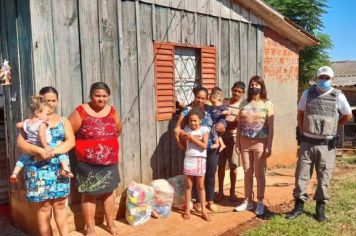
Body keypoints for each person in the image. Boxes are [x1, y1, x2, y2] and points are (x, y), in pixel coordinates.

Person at [286, 66, 352, 222]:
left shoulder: (338, 96)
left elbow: (348, 115)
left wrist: (335, 126)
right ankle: (299, 207)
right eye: (321, 77)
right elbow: (300, 113)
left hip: (326, 144)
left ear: (331, 79)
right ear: (316, 78)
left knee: (324, 177)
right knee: (301, 175)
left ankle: (320, 209)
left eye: (326, 78)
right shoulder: (307, 93)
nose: (323, 80)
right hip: (307, 142)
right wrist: (302, 131)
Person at [16, 86, 75, 236]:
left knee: (60, 205)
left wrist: (51, 152)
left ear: (57, 101)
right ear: (41, 102)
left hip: (59, 169)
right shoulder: (31, 122)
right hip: (37, 169)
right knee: (44, 208)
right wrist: (40, 151)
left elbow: (70, 142)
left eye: (54, 100)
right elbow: (21, 144)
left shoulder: (63, 120)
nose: (51, 103)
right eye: (47, 100)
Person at [68, 82, 122, 236]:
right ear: (91, 96)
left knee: (109, 192)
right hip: (87, 163)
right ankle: (90, 228)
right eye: (97, 95)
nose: (101, 99)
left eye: (104, 96)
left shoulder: (112, 111)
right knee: (89, 194)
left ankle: (110, 223)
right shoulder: (80, 111)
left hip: (110, 161)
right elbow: (68, 132)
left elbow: (118, 130)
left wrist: (105, 144)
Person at [174, 86, 225, 213]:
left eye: (203, 98)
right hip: (195, 149)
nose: (200, 100)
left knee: (210, 173)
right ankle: (197, 201)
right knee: (196, 176)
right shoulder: (188, 110)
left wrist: (222, 125)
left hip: (211, 146)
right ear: (194, 96)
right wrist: (184, 137)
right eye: (198, 97)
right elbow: (177, 128)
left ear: (207, 98)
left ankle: (210, 200)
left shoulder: (210, 109)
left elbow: (221, 119)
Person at [234, 76, 274, 216]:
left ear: (261, 87)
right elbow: (239, 125)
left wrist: (269, 145)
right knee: (247, 172)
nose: (254, 87)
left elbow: (271, 127)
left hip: (260, 143)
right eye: (252, 84)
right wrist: (237, 143)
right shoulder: (243, 103)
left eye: (257, 84)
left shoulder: (267, 103)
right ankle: (247, 201)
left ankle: (260, 201)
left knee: (259, 173)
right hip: (244, 142)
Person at [10, 96, 73, 184]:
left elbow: (18, 125)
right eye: (47, 114)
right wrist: (46, 147)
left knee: (22, 158)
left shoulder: (27, 122)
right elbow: (41, 135)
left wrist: (24, 130)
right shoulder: (42, 123)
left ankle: (15, 173)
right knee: (61, 154)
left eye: (54, 100)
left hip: (33, 145)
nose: (48, 117)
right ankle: (66, 169)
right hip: (42, 145)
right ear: (38, 112)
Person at [175, 107, 210, 221]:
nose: (193, 123)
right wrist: (177, 137)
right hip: (189, 159)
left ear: (200, 120)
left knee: (200, 186)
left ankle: (204, 210)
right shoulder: (186, 129)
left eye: (195, 120)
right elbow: (182, 147)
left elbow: (204, 145)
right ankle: (187, 210)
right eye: (191, 120)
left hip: (200, 159)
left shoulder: (204, 130)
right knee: (188, 186)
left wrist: (192, 138)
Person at [215, 81, 245, 203]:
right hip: (221, 136)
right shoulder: (224, 101)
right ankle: (220, 191)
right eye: (235, 90)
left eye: (239, 91)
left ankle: (232, 192)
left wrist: (224, 124)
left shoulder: (242, 105)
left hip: (233, 137)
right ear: (232, 89)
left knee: (233, 165)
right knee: (221, 165)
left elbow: (237, 123)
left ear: (243, 93)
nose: (236, 93)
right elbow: (217, 115)